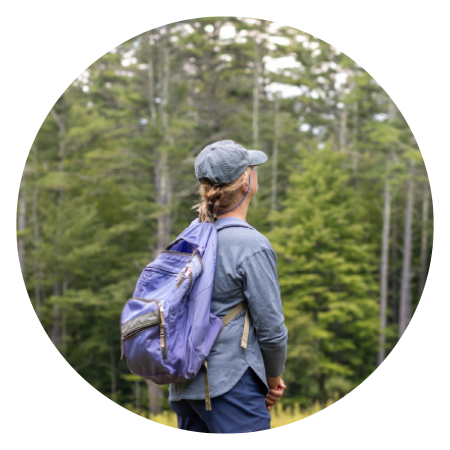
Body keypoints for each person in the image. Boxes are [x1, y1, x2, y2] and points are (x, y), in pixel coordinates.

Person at [168, 140, 288, 434]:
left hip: (185, 388)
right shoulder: (251, 244)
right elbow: (272, 329)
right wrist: (273, 380)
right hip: (230, 385)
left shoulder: (187, 239)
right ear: (246, 182)